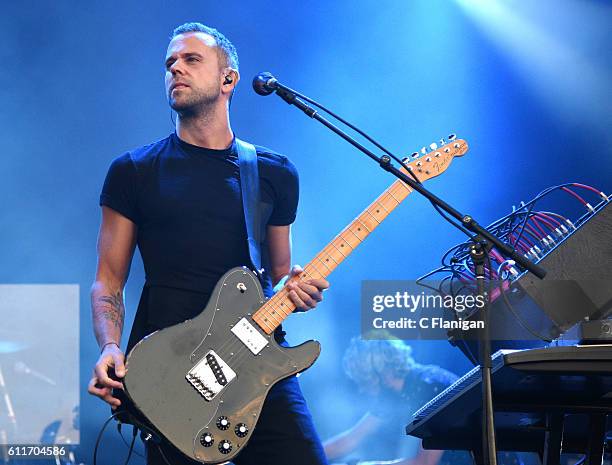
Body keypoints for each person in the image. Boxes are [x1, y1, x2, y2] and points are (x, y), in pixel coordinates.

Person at [87, 22, 330, 465]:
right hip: (169, 372)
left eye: (190, 59)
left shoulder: (274, 173)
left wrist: (298, 288)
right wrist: (109, 346)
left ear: (229, 79)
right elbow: (107, 280)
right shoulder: (133, 171)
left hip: (256, 358)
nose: (175, 68)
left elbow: (279, 274)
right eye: (169, 63)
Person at [324, 337, 462, 465]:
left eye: (362, 381)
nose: (361, 389)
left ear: (380, 374)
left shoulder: (431, 387)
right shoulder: (395, 393)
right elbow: (351, 439)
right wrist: (307, 454)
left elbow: (425, 462)